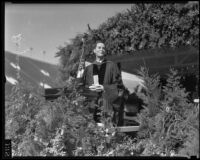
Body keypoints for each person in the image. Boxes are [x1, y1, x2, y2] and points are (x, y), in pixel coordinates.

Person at [79, 41, 126, 126]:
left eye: (103, 48)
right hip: (92, 106)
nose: (102, 49)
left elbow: (119, 87)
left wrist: (104, 88)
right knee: (93, 132)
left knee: (107, 131)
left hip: (107, 104)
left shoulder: (112, 66)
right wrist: (89, 89)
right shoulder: (89, 68)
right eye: (99, 47)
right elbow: (83, 88)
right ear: (94, 50)